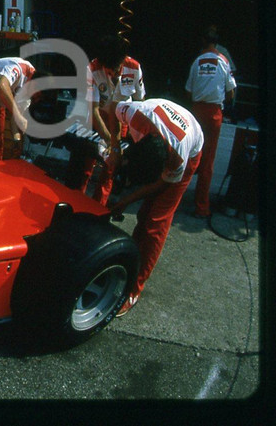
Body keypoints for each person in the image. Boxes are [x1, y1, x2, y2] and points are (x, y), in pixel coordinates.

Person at [104, 98, 203, 316]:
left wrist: (124, 202)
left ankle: (134, 288)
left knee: (156, 221)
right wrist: (115, 147)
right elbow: (110, 107)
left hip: (192, 145)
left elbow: (160, 184)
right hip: (161, 121)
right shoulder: (136, 115)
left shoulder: (178, 160)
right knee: (144, 213)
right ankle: (135, 253)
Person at [67, 35, 146, 204]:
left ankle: (98, 207)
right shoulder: (92, 69)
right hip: (97, 117)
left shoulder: (135, 68)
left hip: (122, 119)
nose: (114, 74)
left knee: (110, 168)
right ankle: (76, 202)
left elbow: (140, 102)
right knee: (86, 164)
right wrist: (110, 141)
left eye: (117, 69)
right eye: (109, 71)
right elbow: (93, 109)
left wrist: (130, 136)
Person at [185, 27, 237, 218]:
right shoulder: (223, 60)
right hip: (214, 113)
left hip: (197, 111)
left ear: (203, 42)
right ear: (216, 44)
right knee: (207, 163)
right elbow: (231, 93)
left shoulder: (196, 61)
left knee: (189, 156)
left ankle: (173, 198)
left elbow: (188, 91)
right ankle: (201, 208)